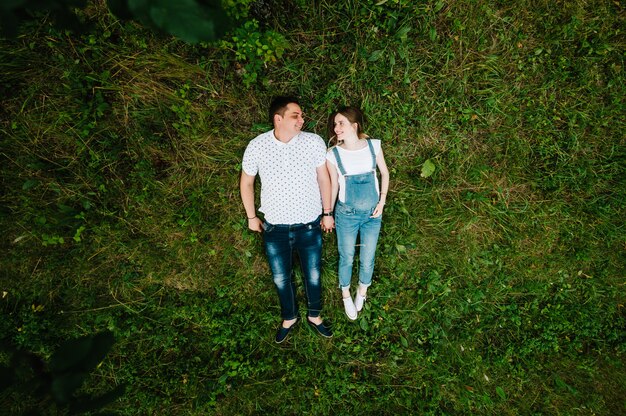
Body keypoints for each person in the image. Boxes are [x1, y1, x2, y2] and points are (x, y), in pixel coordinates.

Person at [240, 96, 335, 343]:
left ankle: (315, 315)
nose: (302, 120)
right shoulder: (257, 146)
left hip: (309, 225)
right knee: (281, 277)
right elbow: (247, 182)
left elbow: (324, 178)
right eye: (296, 116)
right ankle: (289, 316)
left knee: (312, 274)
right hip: (274, 228)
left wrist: (327, 213)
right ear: (278, 118)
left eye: (302, 116)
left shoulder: (313, 142)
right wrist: (251, 217)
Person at [326, 106, 389, 320]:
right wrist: (328, 213)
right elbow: (334, 186)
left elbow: (385, 173)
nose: (336, 128)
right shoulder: (333, 154)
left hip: (373, 214)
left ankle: (362, 291)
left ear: (354, 125)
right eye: (335, 124)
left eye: (341, 123)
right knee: (347, 257)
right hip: (346, 215)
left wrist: (382, 201)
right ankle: (345, 294)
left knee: (368, 257)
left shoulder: (373, 146)